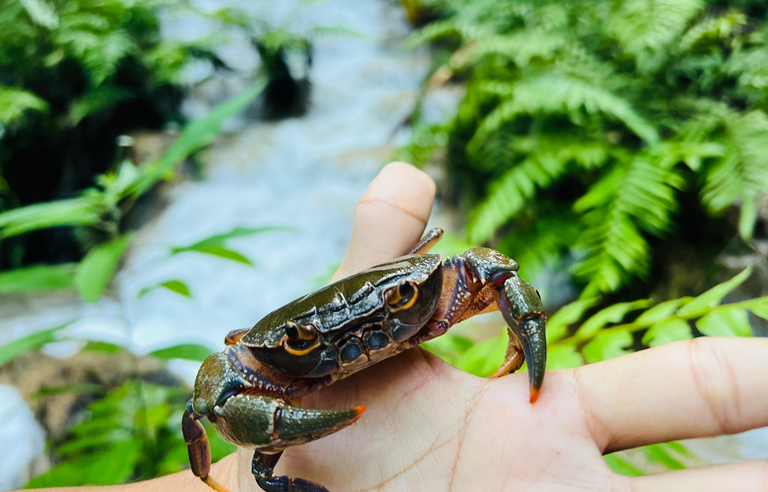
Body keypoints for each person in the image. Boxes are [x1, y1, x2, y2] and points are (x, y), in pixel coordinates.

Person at [32, 162, 768, 492]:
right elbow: (214, 394)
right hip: (300, 390)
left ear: (427, 284)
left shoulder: (439, 287)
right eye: (316, 341)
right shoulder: (264, 365)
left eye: (398, 308)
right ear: (274, 350)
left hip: (363, 324)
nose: (363, 338)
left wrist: (521, 335)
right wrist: (219, 475)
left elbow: (497, 270)